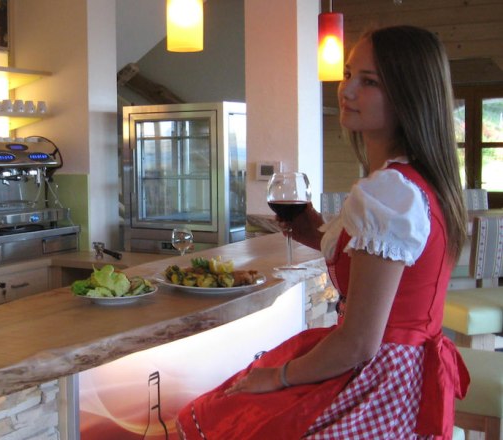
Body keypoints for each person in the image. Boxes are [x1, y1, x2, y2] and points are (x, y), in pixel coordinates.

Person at [176, 25, 469, 439]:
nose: (346, 91)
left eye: (368, 82)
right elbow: (396, 269)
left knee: (229, 412)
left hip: (377, 382)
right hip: (407, 378)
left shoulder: (389, 192)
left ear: (409, 97)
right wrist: (316, 232)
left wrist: (278, 376)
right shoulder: (420, 184)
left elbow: (359, 343)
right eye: (348, 74)